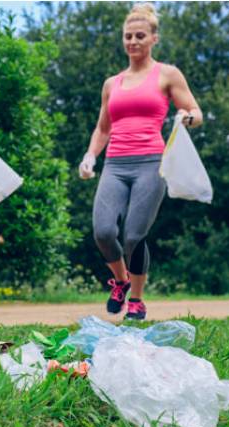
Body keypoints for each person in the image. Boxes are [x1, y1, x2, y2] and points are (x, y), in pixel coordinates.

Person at [78, 3, 203, 320]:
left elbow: (196, 112)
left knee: (134, 236)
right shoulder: (112, 83)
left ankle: (136, 298)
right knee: (104, 231)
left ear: (153, 39)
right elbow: (103, 127)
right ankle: (119, 281)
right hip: (115, 165)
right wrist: (91, 156)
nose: (132, 41)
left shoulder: (167, 74)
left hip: (151, 163)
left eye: (139, 36)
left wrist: (187, 117)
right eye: (127, 36)